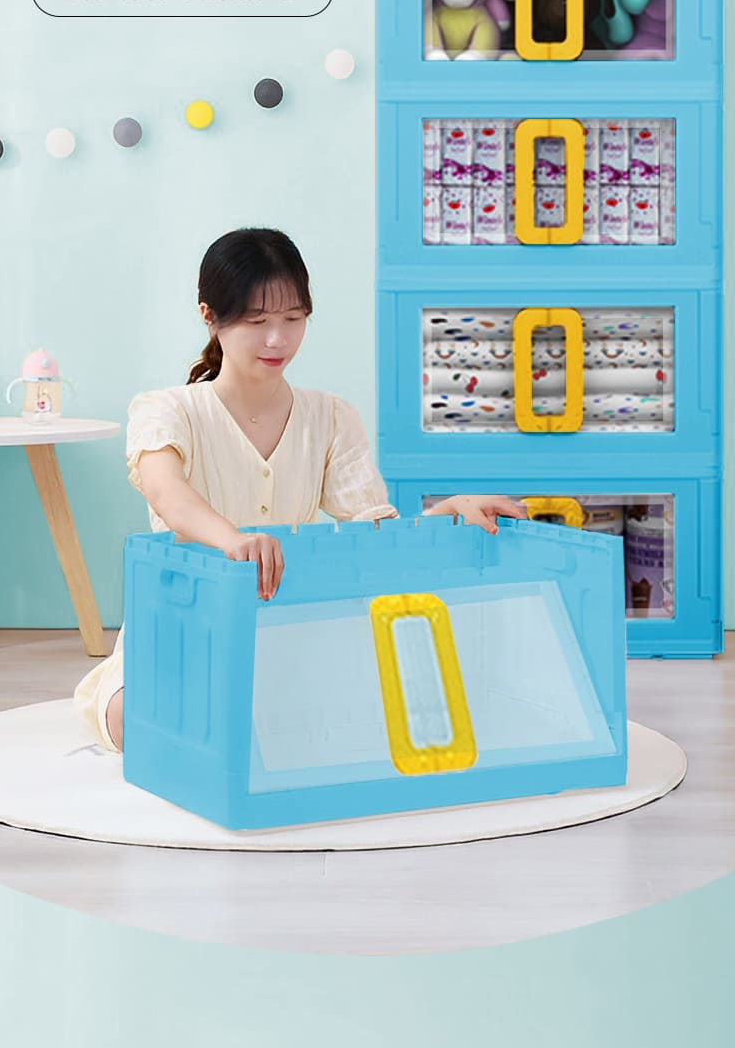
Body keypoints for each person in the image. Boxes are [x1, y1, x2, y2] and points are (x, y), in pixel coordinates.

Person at [74, 223, 525, 754]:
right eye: (257, 321)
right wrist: (233, 540)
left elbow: (372, 533)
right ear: (210, 317)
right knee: (141, 721)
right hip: (184, 622)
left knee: (353, 717)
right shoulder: (168, 409)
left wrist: (448, 512)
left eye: (293, 319)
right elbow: (166, 494)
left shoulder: (330, 416)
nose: (278, 339)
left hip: (289, 628)